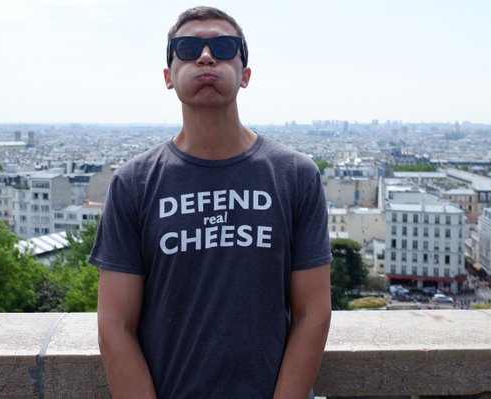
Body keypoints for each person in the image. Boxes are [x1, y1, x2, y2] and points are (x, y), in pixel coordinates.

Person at [89, 6, 332, 398]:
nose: (205, 56)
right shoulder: (133, 183)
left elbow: (313, 312)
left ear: (245, 75)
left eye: (223, 46)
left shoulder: (296, 176)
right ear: (168, 77)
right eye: (186, 48)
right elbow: (114, 323)